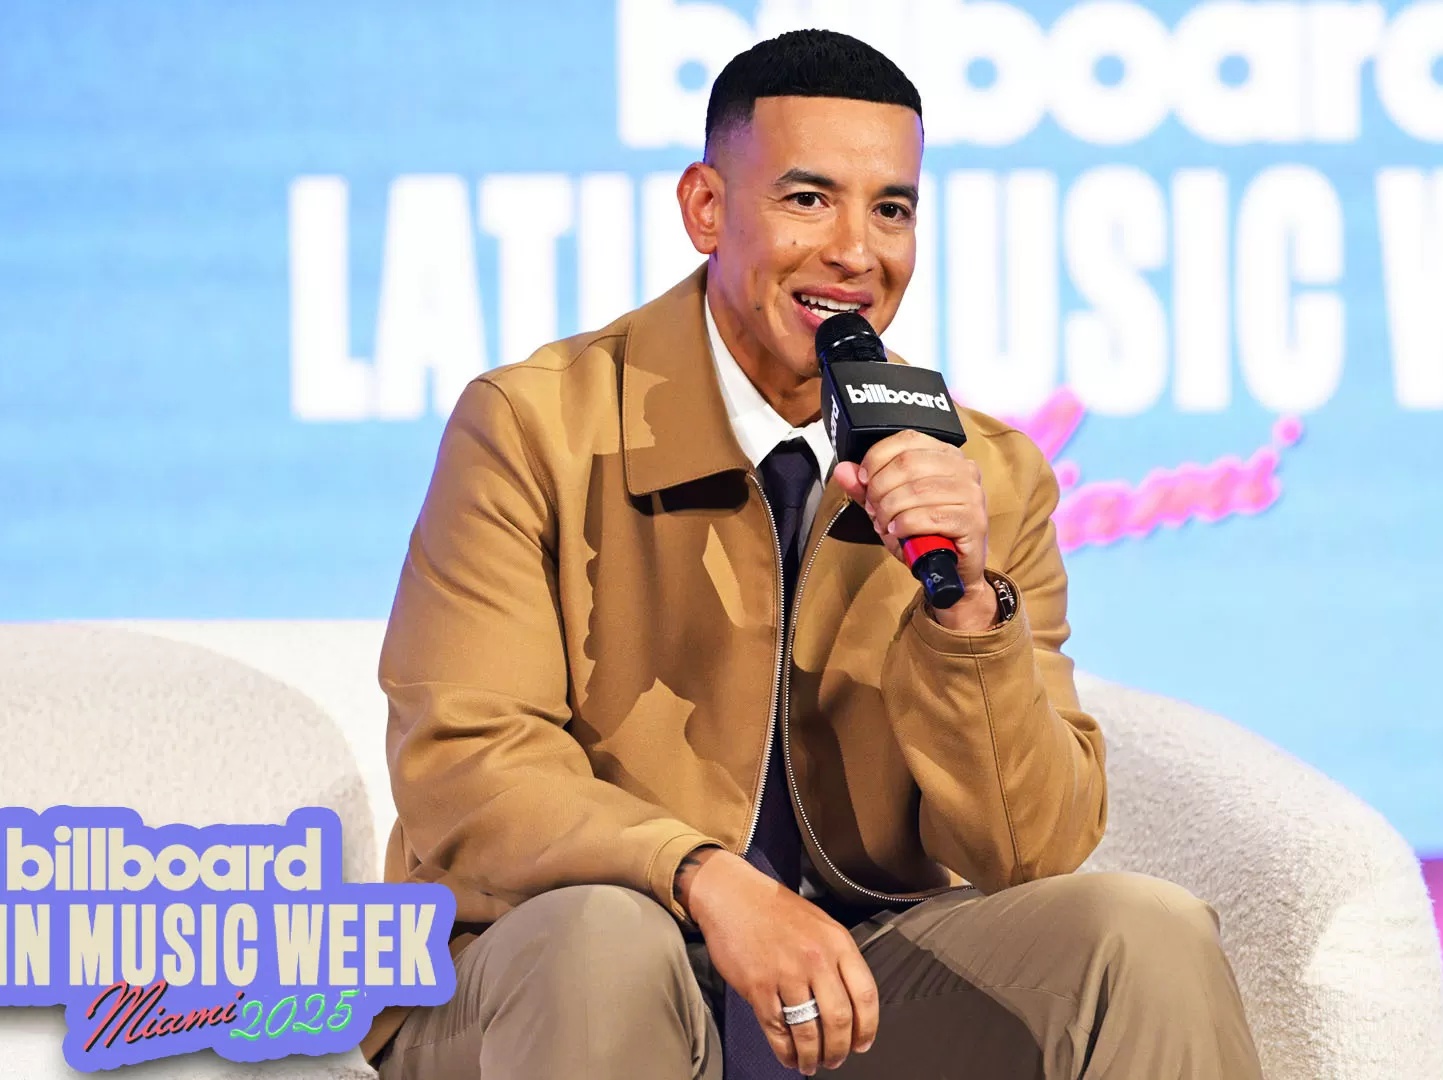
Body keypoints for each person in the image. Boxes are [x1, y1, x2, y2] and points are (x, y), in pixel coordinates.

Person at [363, 28, 1262, 1080]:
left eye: (892, 209)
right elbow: (465, 764)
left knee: (1144, 941)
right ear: (706, 207)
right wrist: (703, 877)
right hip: (544, 962)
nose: (856, 251)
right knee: (606, 946)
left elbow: (1031, 850)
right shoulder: (536, 427)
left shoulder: (983, 475)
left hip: (847, 978)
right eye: (808, 199)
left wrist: (967, 613)